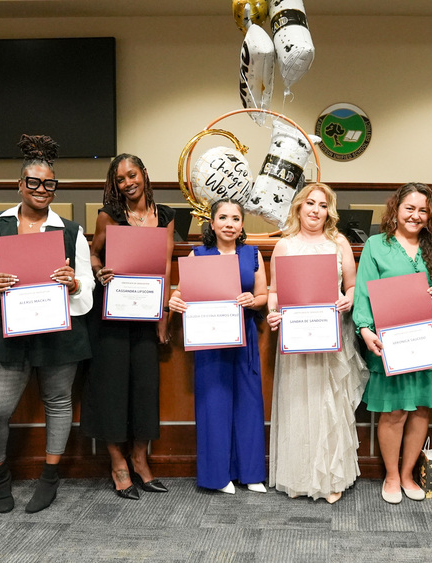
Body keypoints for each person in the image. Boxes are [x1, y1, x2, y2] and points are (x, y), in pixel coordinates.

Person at [0, 134, 94, 514]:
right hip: (9, 330)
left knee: (57, 402)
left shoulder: (71, 232)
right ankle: (0, 477)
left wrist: (73, 282)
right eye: (33, 182)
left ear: (55, 188)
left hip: (58, 331)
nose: (41, 189)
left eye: (49, 183)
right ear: (20, 185)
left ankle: (50, 477)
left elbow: (86, 282)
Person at [265, 183, 369, 503]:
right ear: (298, 207)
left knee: (328, 403)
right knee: (299, 402)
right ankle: (299, 476)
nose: (315, 210)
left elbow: (352, 286)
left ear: (329, 211)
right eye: (310, 203)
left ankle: (330, 478)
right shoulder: (284, 246)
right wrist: (272, 313)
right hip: (296, 337)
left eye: (322, 205)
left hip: (331, 334)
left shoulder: (338, 243)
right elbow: (273, 292)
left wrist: (347, 301)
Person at [352, 182, 432, 504]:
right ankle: (392, 476)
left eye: (423, 210)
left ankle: (409, 473)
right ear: (395, 209)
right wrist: (365, 329)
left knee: (421, 409)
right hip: (390, 342)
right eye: (409, 208)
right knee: (394, 412)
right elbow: (363, 291)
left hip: (429, 340)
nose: (416, 215)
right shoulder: (376, 245)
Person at [83, 154, 174, 500]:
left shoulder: (163, 215)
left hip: (147, 312)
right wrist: (98, 271)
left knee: (144, 387)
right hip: (112, 313)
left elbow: (165, 265)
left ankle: (140, 457)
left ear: (144, 174)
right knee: (111, 388)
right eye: (120, 179)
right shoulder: (110, 215)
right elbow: (94, 253)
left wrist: (163, 315)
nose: (127, 183)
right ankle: (118, 462)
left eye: (131, 175)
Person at [168, 199, 268, 494]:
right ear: (211, 223)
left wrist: (253, 300)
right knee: (214, 402)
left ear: (241, 225)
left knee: (249, 403)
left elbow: (263, 294)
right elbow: (181, 295)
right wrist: (175, 300)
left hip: (244, 336)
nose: (229, 223)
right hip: (210, 339)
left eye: (235, 218)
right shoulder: (197, 254)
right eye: (222, 217)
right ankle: (217, 476)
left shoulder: (253, 254)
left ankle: (250, 474)